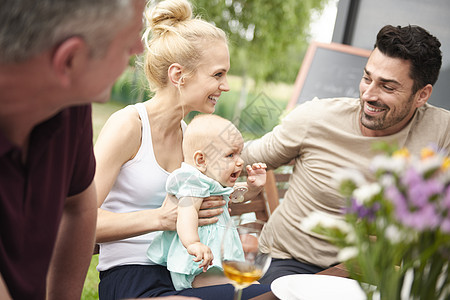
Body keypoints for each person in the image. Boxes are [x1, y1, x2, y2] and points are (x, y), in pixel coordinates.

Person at [242, 24, 450, 285]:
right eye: (367, 78)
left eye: (387, 87)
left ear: (422, 95)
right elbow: (243, 158)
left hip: (377, 277)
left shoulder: (442, 130)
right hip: (290, 267)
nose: (368, 95)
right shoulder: (316, 118)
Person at [94, 0, 271, 299]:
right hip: (131, 274)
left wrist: (243, 192)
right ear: (179, 76)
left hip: (184, 269)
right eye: (217, 75)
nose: (225, 85)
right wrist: (160, 219)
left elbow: (210, 204)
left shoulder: (193, 139)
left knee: (269, 295)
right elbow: (79, 219)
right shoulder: (129, 125)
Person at [0, 0, 146, 299]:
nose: (139, 48)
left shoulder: (69, 106)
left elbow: (79, 205)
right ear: (69, 60)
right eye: (127, 40)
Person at [147, 114, 267, 291]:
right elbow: (187, 213)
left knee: (254, 288)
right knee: (253, 289)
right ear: (201, 160)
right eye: (230, 155)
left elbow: (237, 196)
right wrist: (194, 243)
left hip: (214, 263)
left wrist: (253, 187)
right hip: (198, 266)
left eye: (239, 154)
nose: (240, 161)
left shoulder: (213, 182)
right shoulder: (192, 182)